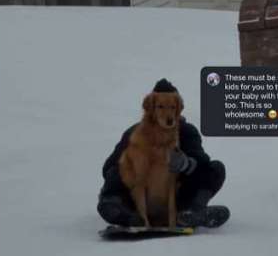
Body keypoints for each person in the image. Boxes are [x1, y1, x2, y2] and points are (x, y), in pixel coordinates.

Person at [97, 78, 231, 228]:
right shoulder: (135, 133)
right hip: (137, 200)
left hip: (177, 199)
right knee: (119, 167)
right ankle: (119, 209)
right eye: (160, 107)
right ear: (151, 109)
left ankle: (192, 212)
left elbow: (202, 164)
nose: (167, 113)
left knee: (215, 169)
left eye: (172, 107)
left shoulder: (187, 131)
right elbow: (108, 168)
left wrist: (187, 164)